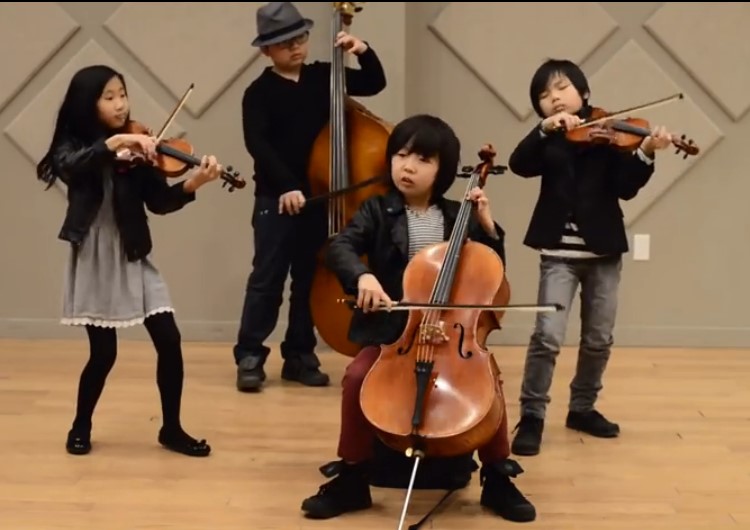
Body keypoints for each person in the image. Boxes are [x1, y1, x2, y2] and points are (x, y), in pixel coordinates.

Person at [299, 114, 536, 523]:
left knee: (489, 381)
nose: (406, 166)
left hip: (452, 334)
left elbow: (490, 274)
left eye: (422, 159)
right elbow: (341, 247)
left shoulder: (455, 216)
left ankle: (498, 476)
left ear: (443, 170)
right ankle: (352, 477)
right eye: (401, 155)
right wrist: (364, 275)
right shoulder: (377, 209)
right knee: (357, 376)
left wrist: (487, 229)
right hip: (396, 331)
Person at [36, 64, 223, 457]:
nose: (121, 104)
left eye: (122, 93)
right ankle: (80, 425)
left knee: (169, 340)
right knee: (104, 353)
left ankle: (171, 428)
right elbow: (69, 165)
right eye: (109, 97)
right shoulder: (75, 143)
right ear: (89, 103)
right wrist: (113, 143)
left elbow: (160, 202)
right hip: (94, 253)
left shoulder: (141, 146)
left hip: (133, 250)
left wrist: (194, 183)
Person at [507, 58, 673, 456]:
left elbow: (625, 187)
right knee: (547, 337)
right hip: (557, 255)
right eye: (544, 97)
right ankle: (531, 415)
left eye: (561, 89)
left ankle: (582, 408)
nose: (554, 99)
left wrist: (647, 152)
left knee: (598, 338)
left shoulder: (609, 135)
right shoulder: (548, 141)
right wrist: (544, 130)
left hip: (602, 251)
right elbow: (518, 164)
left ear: (583, 93)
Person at [232, 1, 387, 392]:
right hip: (276, 199)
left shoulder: (325, 76)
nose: (296, 48)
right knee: (267, 280)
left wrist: (361, 49)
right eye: (284, 44)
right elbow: (259, 145)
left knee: (307, 279)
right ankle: (250, 354)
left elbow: (374, 83)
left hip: (320, 199)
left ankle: (299, 355)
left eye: (299, 38)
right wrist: (286, 185)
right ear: (266, 50)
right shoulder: (259, 93)